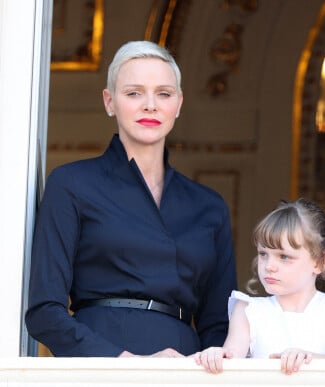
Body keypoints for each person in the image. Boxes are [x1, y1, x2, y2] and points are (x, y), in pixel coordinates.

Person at [25, 41, 238, 357]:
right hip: (102, 366)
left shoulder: (208, 205)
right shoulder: (72, 184)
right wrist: (125, 364)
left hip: (186, 370)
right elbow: (45, 312)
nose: (150, 105)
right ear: (109, 102)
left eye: (164, 94)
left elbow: (220, 326)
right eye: (134, 93)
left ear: (178, 104)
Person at [192, 198, 325, 374]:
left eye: (284, 257)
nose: (269, 266)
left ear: (319, 262)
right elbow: (231, 359)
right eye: (263, 254)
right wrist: (216, 355)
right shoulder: (247, 310)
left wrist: (307, 359)